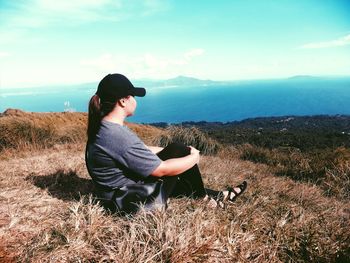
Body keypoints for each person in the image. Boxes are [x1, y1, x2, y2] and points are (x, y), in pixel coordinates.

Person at [85, 73, 247, 215]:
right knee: (180, 155)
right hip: (127, 201)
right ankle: (207, 200)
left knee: (176, 150)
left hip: (117, 194)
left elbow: (138, 150)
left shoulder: (103, 127)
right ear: (122, 101)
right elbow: (161, 170)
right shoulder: (116, 135)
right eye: (132, 95)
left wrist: (171, 151)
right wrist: (193, 157)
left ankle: (219, 195)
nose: (135, 100)